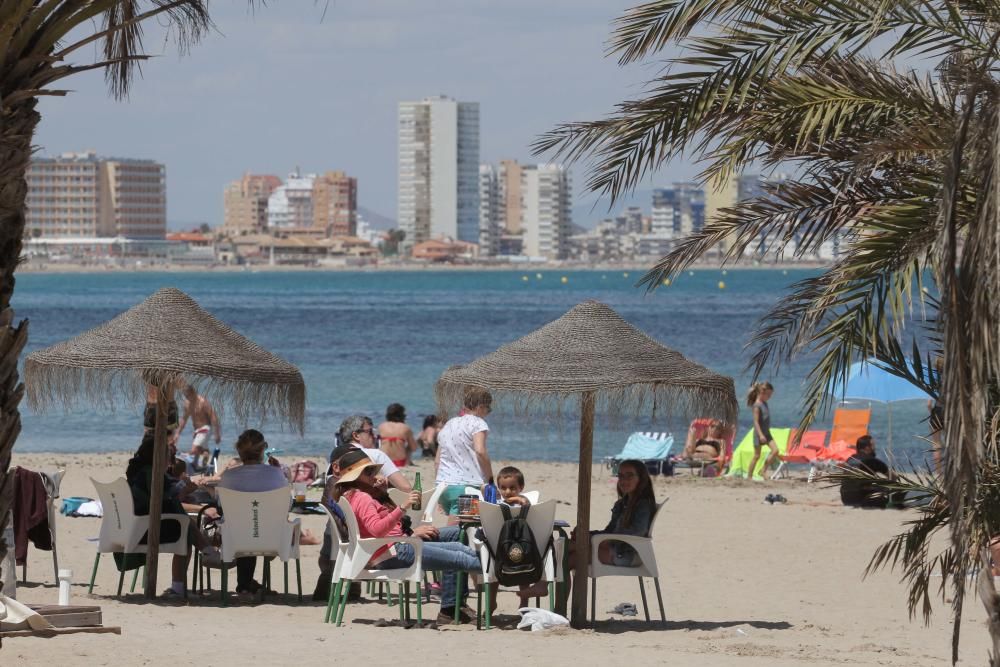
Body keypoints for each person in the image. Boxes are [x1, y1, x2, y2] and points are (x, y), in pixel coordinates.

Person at [335, 450, 481, 624]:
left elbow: (388, 525)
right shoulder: (362, 498)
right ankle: (498, 568)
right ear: (356, 476)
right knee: (459, 555)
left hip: (394, 546)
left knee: (459, 547)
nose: (373, 475)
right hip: (392, 551)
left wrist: (382, 493)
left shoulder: (354, 495)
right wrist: (403, 507)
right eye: (368, 472)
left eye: (372, 471)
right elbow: (377, 530)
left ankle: (456, 602)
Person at [125, 432, 220, 600]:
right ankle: (207, 553)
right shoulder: (151, 473)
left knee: (182, 521)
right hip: (146, 530)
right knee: (184, 530)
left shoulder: (139, 471)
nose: (170, 459)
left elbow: (165, 499)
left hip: (135, 527)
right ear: (158, 456)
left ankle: (207, 552)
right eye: (168, 455)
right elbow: (168, 497)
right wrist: (187, 488)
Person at [218, 429, 289, 598]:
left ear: (239, 450)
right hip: (272, 537)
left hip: (236, 538)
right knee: (253, 525)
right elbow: (287, 504)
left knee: (245, 525)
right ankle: (247, 585)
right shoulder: (276, 473)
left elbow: (222, 506)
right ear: (263, 449)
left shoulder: (228, 476)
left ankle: (245, 585)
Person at [436, 388, 494, 517]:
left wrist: (438, 489)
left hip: (443, 485)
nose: (488, 413)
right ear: (480, 407)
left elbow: (437, 461)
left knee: (458, 527)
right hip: (466, 487)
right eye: (488, 409)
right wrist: (490, 480)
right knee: (461, 529)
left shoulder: (449, 424)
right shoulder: (478, 423)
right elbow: (480, 451)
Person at [592, 459, 657, 566]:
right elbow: (609, 530)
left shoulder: (643, 504)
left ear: (641, 479)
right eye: (621, 476)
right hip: (614, 548)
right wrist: (587, 534)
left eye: (629, 475)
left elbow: (639, 531)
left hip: (627, 553)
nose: (623, 480)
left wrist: (609, 540)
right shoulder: (621, 504)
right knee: (570, 549)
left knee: (573, 556)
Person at [333, 415, 412, 492]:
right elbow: (406, 488)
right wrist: (388, 483)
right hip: (365, 504)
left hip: (338, 503)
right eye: (369, 432)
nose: (374, 436)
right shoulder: (376, 454)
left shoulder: (334, 457)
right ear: (356, 435)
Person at [840, 434, 900, 508]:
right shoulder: (872, 461)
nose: (875, 448)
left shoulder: (850, 459)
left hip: (846, 499)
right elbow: (893, 477)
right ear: (867, 448)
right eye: (873, 446)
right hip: (862, 499)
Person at [178, 384, 221, 466]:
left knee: (194, 449)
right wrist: (178, 433)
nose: (186, 397)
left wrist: (217, 433)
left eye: (188, 395)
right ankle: (204, 466)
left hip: (206, 428)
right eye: (185, 395)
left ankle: (186, 460)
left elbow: (213, 417)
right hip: (197, 430)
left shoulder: (203, 402)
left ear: (193, 392)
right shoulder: (187, 404)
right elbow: (184, 419)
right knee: (203, 450)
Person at [745, 382, 780, 481]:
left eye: (770, 395)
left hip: (767, 433)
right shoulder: (757, 405)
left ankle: (763, 470)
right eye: (768, 394)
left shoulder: (765, 403)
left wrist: (765, 434)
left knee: (775, 451)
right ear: (762, 392)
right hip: (758, 434)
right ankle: (749, 477)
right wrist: (760, 435)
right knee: (757, 456)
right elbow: (755, 422)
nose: (769, 397)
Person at [377, 403, 418, 467]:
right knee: (410, 446)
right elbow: (414, 448)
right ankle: (407, 463)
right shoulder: (405, 428)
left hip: (384, 462)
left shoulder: (382, 426)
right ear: (401, 415)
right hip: (399, 462)